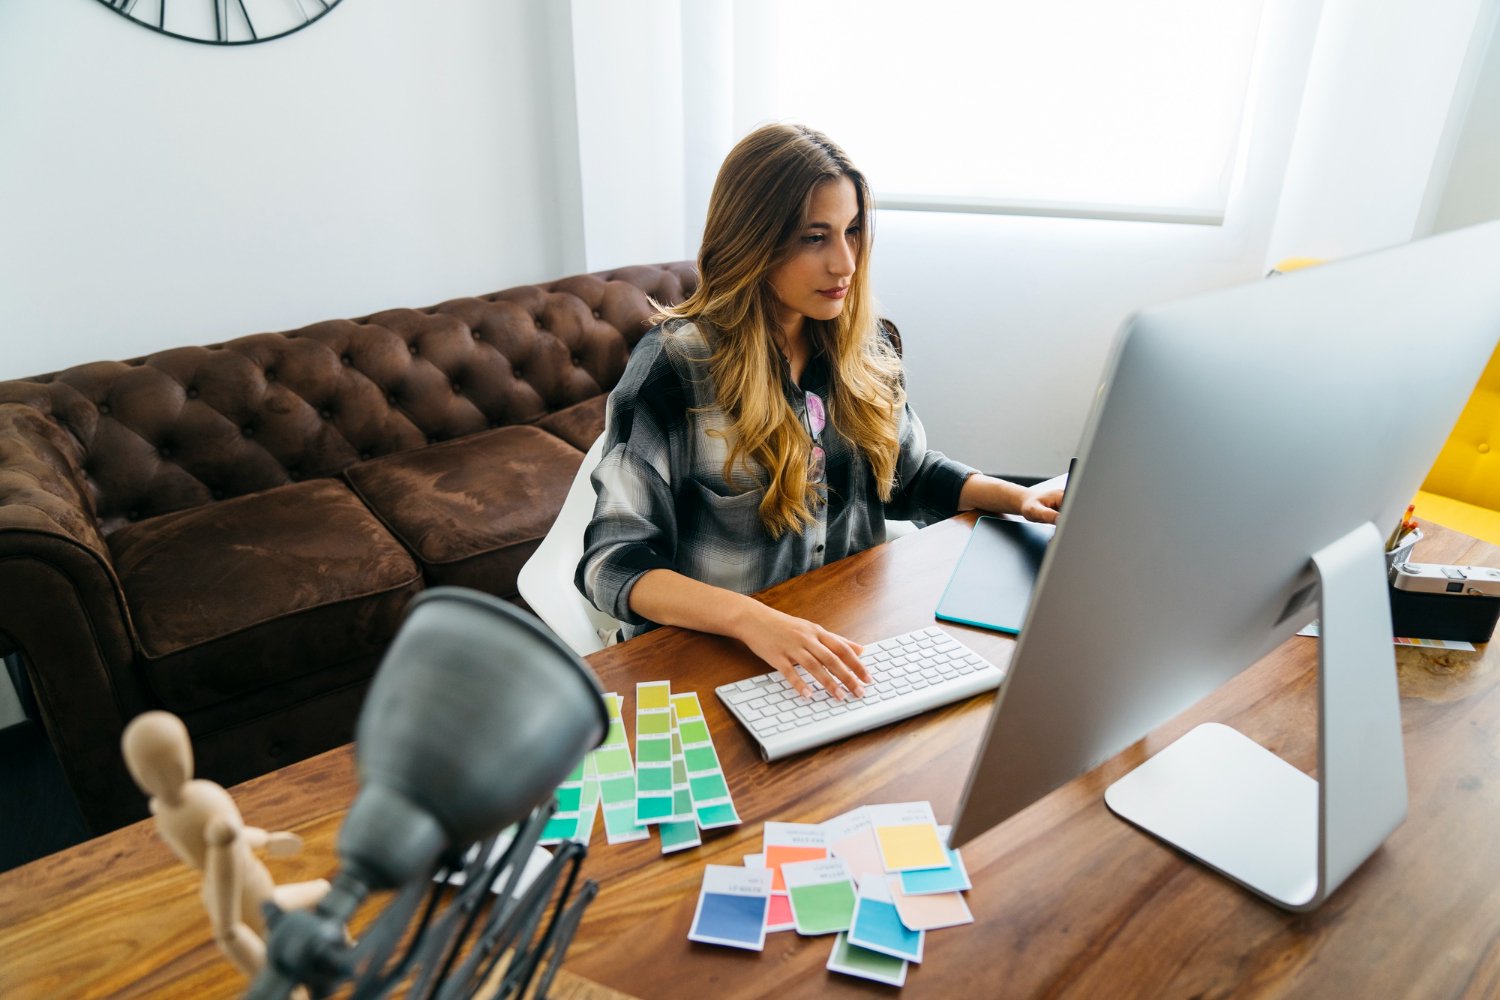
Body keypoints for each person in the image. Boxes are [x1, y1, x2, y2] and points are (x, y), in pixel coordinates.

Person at [576, 123, 1061, 701]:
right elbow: (613, 561)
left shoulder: (862, 345)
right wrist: (751, 619)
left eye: (853, 231)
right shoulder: (675, 367)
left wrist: (1017, 499)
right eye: (815, 237)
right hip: (716, 658)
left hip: (842, 644)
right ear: (753, 241)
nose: (845, 263)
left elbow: (907, 475)